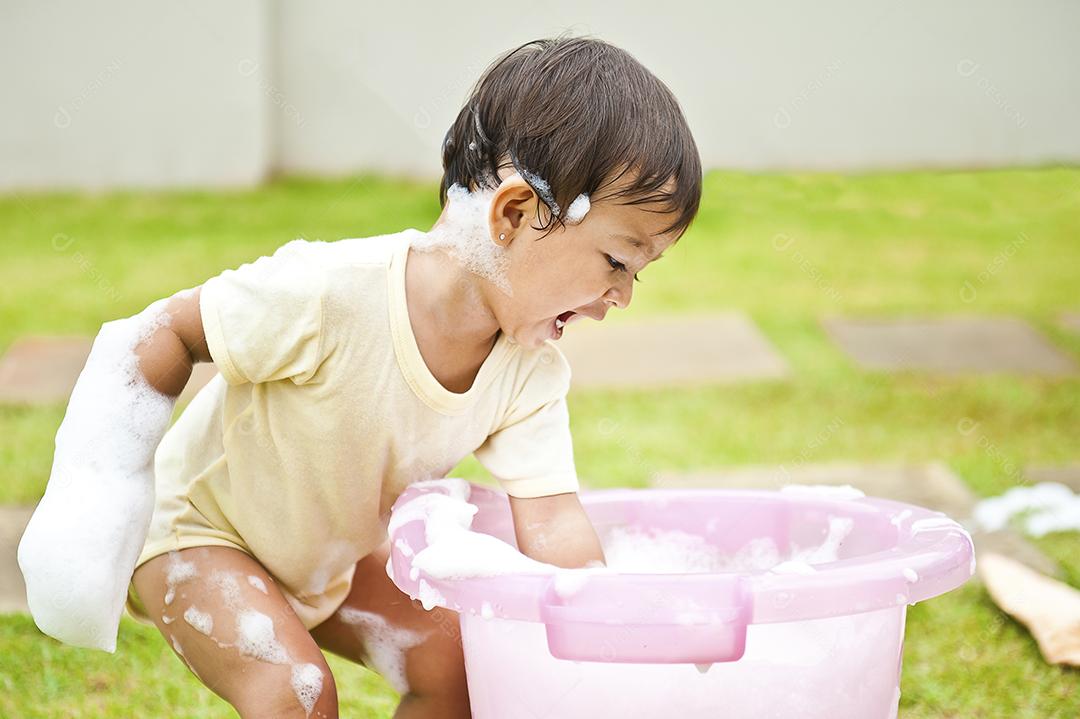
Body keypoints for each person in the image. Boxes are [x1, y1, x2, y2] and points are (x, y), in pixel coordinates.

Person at [28, 35, 702, 718]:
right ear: (514, 214)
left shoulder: (528, 373)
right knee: (297, 692)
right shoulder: (331, 294)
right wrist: (104, 488)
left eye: (637, 274)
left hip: (330, 562)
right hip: (199, 535)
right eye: (617, 261)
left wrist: (607, 633)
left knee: (460, 666)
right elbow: (165, 332)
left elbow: (553, 520)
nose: (623, 296)